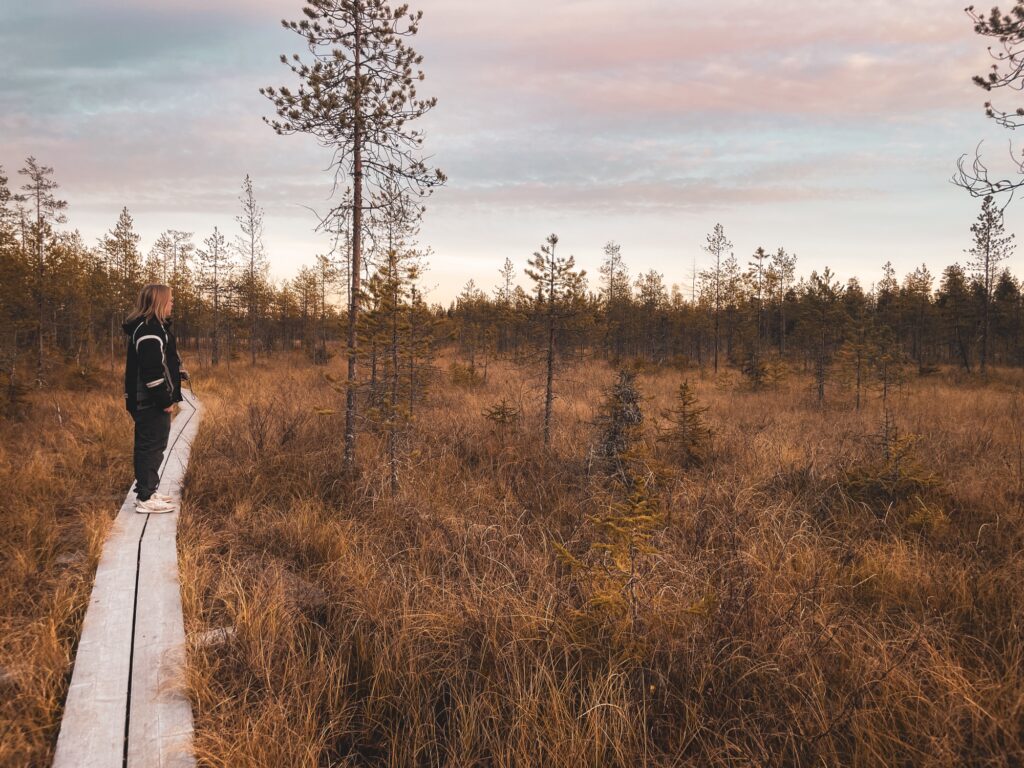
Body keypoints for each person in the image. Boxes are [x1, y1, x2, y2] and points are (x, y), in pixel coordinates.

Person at [122, 284, 187, 514]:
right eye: (169, 300)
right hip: (148, 401)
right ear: (159, 302)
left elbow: (160, 363)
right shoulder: (150, 330)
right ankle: (146, 498)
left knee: (151, 446)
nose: (172, 304)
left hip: (145, 401)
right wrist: (164, 400)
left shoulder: (152, 327)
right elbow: (151, 373)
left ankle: (147, 490)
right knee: (151, 446)